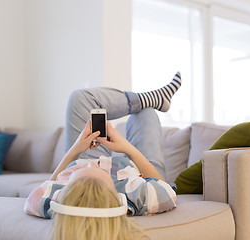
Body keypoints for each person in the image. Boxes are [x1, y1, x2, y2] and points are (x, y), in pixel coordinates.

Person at [24, 72, 182, 240]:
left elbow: (37, 194)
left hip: (89, 165)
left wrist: (76, 149)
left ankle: (152, 98)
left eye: (77, 170)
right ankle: (152, 100)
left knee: (79, 98)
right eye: (99, 171)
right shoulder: (134, 197)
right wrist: (128, 149)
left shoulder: (56, 202)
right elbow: (166, 190)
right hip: (140, 172)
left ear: (67, 189)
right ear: (115, 195)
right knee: (145, 113)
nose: (95, 164)